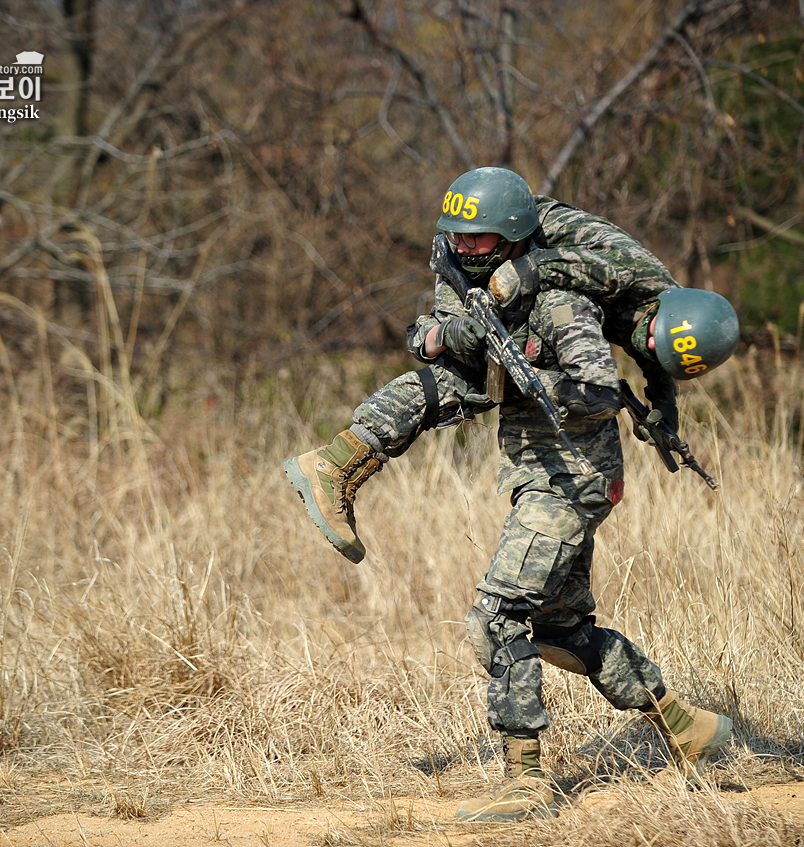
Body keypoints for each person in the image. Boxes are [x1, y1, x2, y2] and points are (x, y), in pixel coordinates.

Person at [284, 168, 740, 822]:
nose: (466, 249)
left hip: (570, 478)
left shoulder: (574, 298)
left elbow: (632, 359)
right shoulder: (494, 256)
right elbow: (455, 342)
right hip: (551, 465)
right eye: (460, 240)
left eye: (482, 242)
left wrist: (642, 408)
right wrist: (451, 332)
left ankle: (525, 782)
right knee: (562, 630)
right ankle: (685, 727)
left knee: (496, 619)